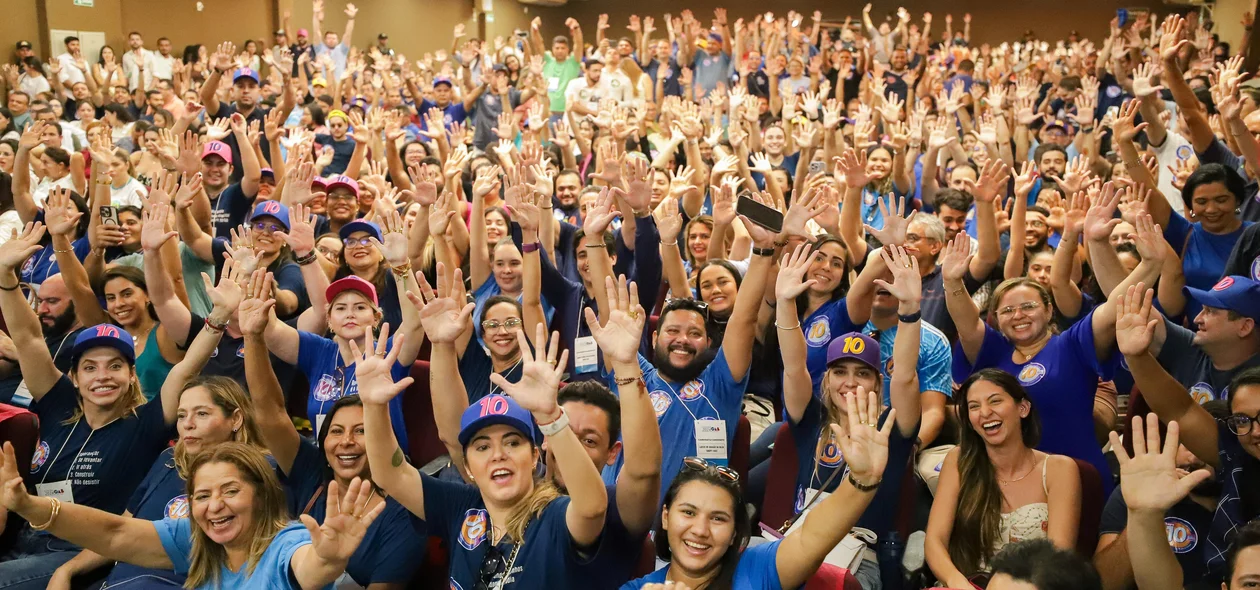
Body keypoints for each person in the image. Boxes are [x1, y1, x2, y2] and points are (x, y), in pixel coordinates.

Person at [364, 294, 610, 589]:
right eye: (482, 447)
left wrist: (551, 417)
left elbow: (592, 508)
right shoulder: (461, 507)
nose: (498, 455)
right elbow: (390, 473)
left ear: (534, 457)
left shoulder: (553, 516)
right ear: (467, 466)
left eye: (512, 443)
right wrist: (373, 406)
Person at [47, 262, 266, 589]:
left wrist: (219, 315)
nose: (187, 425)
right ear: (74, 378)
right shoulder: (168, 461)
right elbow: (122, 531)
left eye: (202, 414)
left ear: (235, 419)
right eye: (181, 416)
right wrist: (67, 571)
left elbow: (188, 369)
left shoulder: (255, 471)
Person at [0, 222, 179, 589]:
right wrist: (5, 278)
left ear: (132, 375)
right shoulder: (58, 403)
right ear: (75, 377)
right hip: (24, 539)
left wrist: (216, 321)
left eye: (115, 366)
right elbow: (28, 337)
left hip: (77, 553)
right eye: (90, 367)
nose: (103, 377)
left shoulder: (144, 424)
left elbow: (188, 365)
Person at [943, 205, 1166, 492]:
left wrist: (1150, 266)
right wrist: (952, 281)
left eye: (1028, 306)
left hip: (1079, 477)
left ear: (1049, 311)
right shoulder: (991, 351)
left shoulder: (1072, 343)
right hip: (1007, 482)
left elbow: (1113, 308)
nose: (1018, 315)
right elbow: (965, 320)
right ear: (996, 319)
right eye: (1008, 310)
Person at [240, 269, 427, 588]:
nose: (350, 313)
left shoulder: (389, 351)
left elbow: (414, 323)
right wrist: (251, 314)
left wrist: (400, 268)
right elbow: (268, 336)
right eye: (341, 307)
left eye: (360, 306)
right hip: (326, 467)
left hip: (385, 473)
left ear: (377, 316)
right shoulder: (318, 350)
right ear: (327, 318)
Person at [0, 440, 384, 589]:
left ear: (263, 496)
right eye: (202, 495)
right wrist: (29, 506)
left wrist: (330, 559)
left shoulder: (288, 542)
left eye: (231, 491)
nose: (214, 506)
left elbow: (310, 567)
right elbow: (115, 534)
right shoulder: (197, 538)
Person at [623, 389, 894, 589]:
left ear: (733, 534)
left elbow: (811, 537)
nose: (700, 530)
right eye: (688, 512)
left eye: (718, 518)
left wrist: (862, 480)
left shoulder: (759, 569)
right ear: (666, 517)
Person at [776, 244, 925, 588]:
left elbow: (904, 374)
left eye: (863, 373)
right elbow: (795, 367)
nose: (850, 382)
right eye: (840, 372)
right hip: (797, 544)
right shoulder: (811, 418)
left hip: (856, 558)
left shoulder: (892, 425)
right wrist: (785, 304)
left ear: (877, 381)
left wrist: (910, 308)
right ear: (827, 379)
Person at [1115, 282, 1260, 580]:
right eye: (1243, 420)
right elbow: (1181, 410)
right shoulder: (1238, 457)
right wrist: (1137, 357)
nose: (1256, 431)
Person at [925, 368, 1083, 588]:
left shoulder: (1060, 469)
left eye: (995, 401)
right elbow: (934, 541)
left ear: (1023, 408)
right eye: (974, 407)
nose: (985, 412)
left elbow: (1056, 561)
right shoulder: (958, 460)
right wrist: (957, 582)